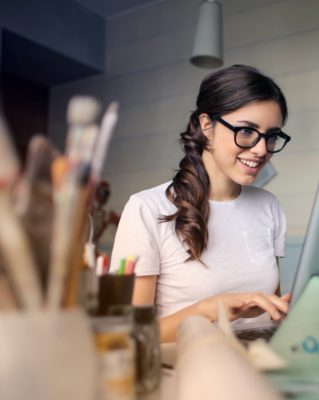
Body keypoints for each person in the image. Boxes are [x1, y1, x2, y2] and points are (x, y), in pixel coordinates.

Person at [110, 65, 292, 342]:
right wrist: (207, 310)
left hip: (260, 360)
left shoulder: (269, 206)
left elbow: (273, 309)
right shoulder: (146, 209)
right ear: (207, 125)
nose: (261, 149)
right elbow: (130, 334)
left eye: (272, 136)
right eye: (246, 131)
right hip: (190, 365)